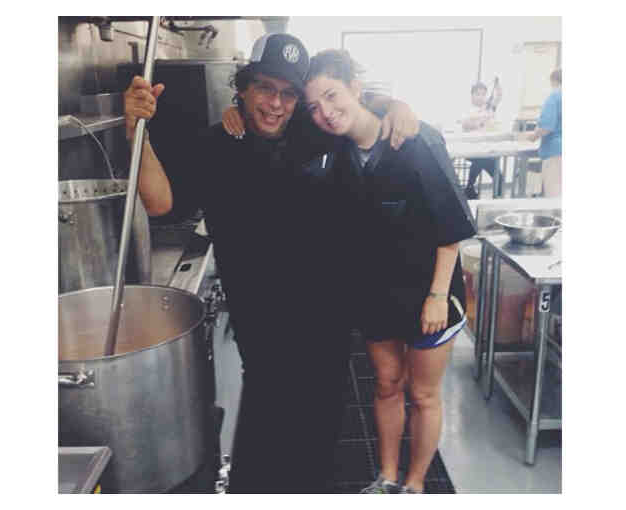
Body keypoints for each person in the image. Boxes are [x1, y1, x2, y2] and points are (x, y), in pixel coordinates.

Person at [124, 33, 420, 494]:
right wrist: (135, 133)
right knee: (265, 448)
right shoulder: (216, 144)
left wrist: (394, 104)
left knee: (318, 443)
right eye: (265, 88)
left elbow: (351, 107)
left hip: (328, 324)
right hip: (263, 331)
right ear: (242, 87)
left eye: (288, 93)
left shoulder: (316, 131)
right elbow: (160, 202)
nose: (276, 104)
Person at [302, 49, 477, 494]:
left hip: (429, 294)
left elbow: (451, 225)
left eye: (332, 95)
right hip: (375, 294)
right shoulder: (337, 153)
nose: (325, 112)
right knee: (385, 384)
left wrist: (438, 295)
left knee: (423, 393)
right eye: (314, 106)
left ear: (355, 88)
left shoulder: (416, 140)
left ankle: (415, 485)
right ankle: (387, 477)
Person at [461, 80, 503, 199]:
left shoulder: (488, 108)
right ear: (472, 95)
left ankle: (469, 188)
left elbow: (498, 98)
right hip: (472, 149)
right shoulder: (468, 110)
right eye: (478, 94)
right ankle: (470, 188)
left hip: (487, 149)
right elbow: (466, 125)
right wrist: (480, 122)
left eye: (483, 94)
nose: (481, 97)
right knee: (482, 162)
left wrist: (497, 86)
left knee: (481, 162)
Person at [528, 68, 562, 196]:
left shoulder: (554, 97)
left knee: (555, 195)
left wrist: (533, 136)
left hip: (556, 152)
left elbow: (546, 127)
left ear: (554, 81)